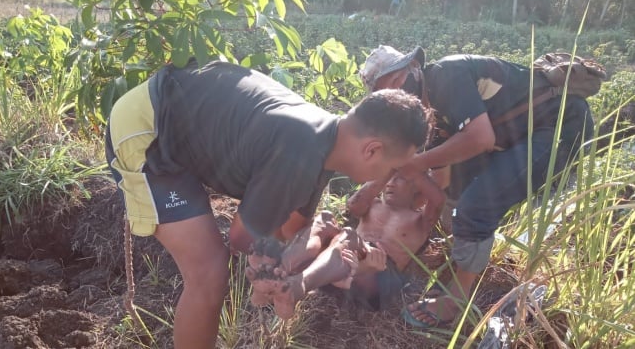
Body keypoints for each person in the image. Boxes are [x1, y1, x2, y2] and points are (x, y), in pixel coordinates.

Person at [104, 58, 432, 349]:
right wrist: (271, 265)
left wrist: (296, 266)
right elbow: (241, 238)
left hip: (181, 118)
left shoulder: (326, 144)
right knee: (210, 271)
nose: (389, 179)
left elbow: (292, 228)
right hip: (149, 129)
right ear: (372, 150)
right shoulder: (299, 152)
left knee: (257, 247)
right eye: (392, 169)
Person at [357, 45, 594, 328]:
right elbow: (443, 179)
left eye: (397, 81)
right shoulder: (425, 116)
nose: (398, 92)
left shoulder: (445, 76)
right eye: (388, 93)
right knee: (459, 189)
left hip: (559, 126)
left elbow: (480, 138)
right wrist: (381, 191)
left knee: (478, 204)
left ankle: (457, 298)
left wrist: (415, 166)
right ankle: (466, 254)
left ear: (414, 69)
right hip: (513, 137)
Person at [246, 170, 445, 318]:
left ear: (416, 187)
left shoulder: (419, 220)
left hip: (379, 275)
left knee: (348, 235)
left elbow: (437, 201)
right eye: (389, 177)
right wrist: (391, 168)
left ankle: (296, 287)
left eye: (399, 178)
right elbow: (354, 204)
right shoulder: (373, 204)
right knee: (324, 219)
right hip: (341, 264)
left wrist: (412, 165)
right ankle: (276, 271)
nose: (390, 183)